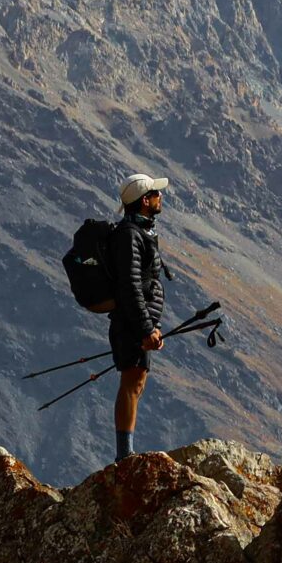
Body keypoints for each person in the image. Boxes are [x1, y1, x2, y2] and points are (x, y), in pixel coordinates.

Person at [111, 173, 170, 458]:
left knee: (137, 380)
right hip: (132, 323)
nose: (161, 197)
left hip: (137, 322)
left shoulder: (137, 233)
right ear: (145, 200)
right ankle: (125, 455)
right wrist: (147, 329)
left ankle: (126, 453)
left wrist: (152, 326)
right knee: (132, 382)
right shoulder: (130, 236)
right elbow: (131, 285)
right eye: (156, 194)